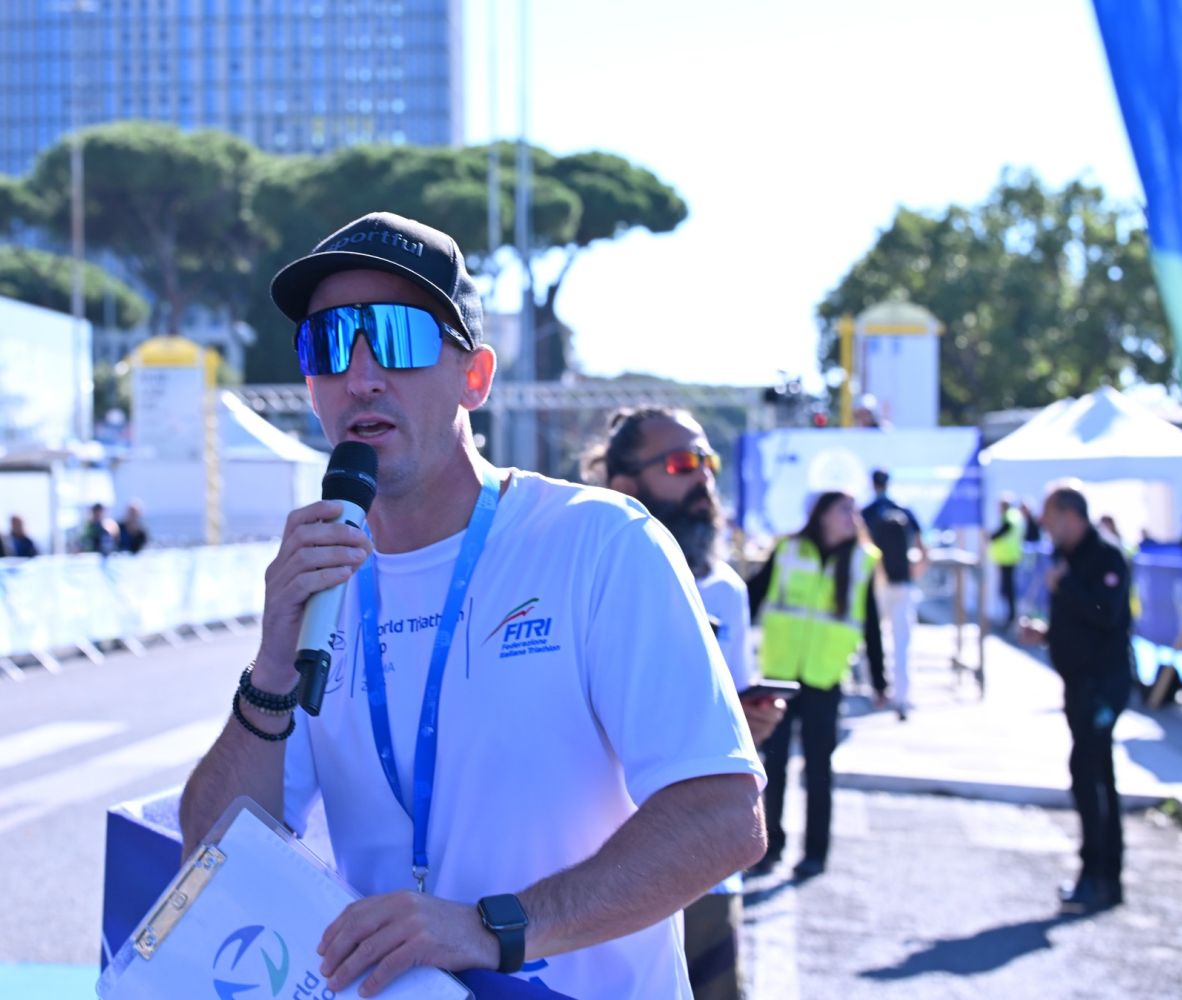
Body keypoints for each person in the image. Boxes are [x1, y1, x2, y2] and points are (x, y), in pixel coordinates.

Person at [178, 211, 766, 999]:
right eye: (327, 343)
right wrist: (272, 669)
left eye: (398, 337)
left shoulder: (598, 541)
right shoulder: (321, 579)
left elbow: (724, 817)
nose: (361, 376)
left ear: (476, 377)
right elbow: (213, 859)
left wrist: (493, 928)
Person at [587, 405, 786, 1000]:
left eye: (708, 462)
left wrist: (751, 723)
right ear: (626, 484)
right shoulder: (581, 579)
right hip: (599, 869)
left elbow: (729, 716)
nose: (703, 478)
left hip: (705, 870)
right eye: (681, 464)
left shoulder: (725, 587)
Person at [746, 490, 886, 881]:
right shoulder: (788, 550)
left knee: (819, 769)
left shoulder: (861, 560)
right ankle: (769, 847)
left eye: (854, 511)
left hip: (824, 677)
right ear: (822, 514)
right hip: (780, 675)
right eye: (844, 510)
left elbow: (871, 623)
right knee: (774, 765)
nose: (853, 517)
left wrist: (879, 680)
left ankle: (815, 854)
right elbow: (753, 596)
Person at [1018, 485, 1133, 913]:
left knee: (1089, 772)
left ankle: (1099, 875)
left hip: (1103, 685)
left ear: (1070, 515)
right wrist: (1047, 634)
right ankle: (1103, 878)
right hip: (1079, 683)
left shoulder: (1106, 555)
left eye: (1050, 519)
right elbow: (1078, 622)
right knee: (1095, 772)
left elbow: (1107, 614)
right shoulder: (1067, 557)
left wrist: (1065, 586)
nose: (1046, 528)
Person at [861, 469, 928, 719]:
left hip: (877, 585)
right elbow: (923, 549)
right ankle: (902, 696)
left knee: (872, 639)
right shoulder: (904, 510)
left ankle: (876, 691)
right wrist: (914, 571)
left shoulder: (867, 512)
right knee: (903, 642)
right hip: (903, 583)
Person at [991, 496, 1025, 626]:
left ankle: (1010, 617)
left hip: (1007, 558)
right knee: (1007, 588)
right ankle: (1009, 616)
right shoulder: (1015, 515)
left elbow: (1005, 529)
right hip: (1010, 557)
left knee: (1008, 589)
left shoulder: (1010, 516)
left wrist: (992, 536)